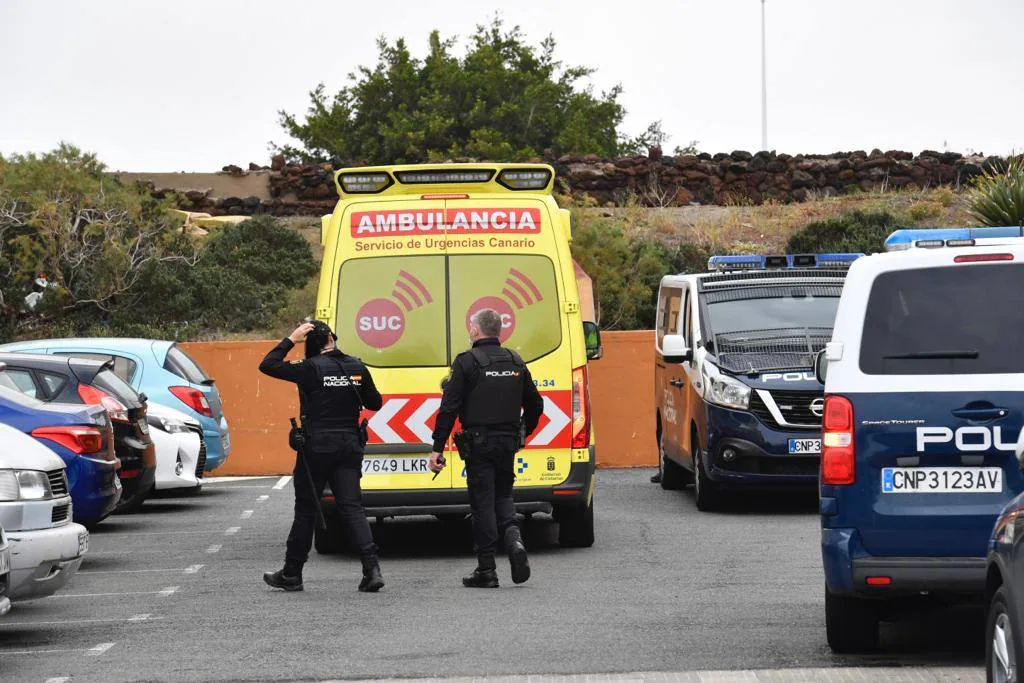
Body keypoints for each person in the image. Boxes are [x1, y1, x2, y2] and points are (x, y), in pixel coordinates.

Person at [258, 320, 385, 593]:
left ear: (313, 344)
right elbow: (375, 402)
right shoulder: (357, 366)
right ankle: (372, 570)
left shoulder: (310, 368)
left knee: (306, 509)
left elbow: (268, 364)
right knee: (352, 507)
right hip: (349, 445)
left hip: (316, 448)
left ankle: (292, 573)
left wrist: (291, 339)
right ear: (332, 338)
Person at [428, 308, 544, 588]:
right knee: (504, 496)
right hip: (507, 443)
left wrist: (437, 448)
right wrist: (523, 432)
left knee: (482, 504)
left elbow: (449, 408)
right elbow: (536, 405)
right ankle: (514, 540)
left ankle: (487, 569)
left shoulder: (467, 362)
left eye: (471, 326)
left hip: (478, 444)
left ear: (476, 330)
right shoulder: (516, 361)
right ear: (499, 331)